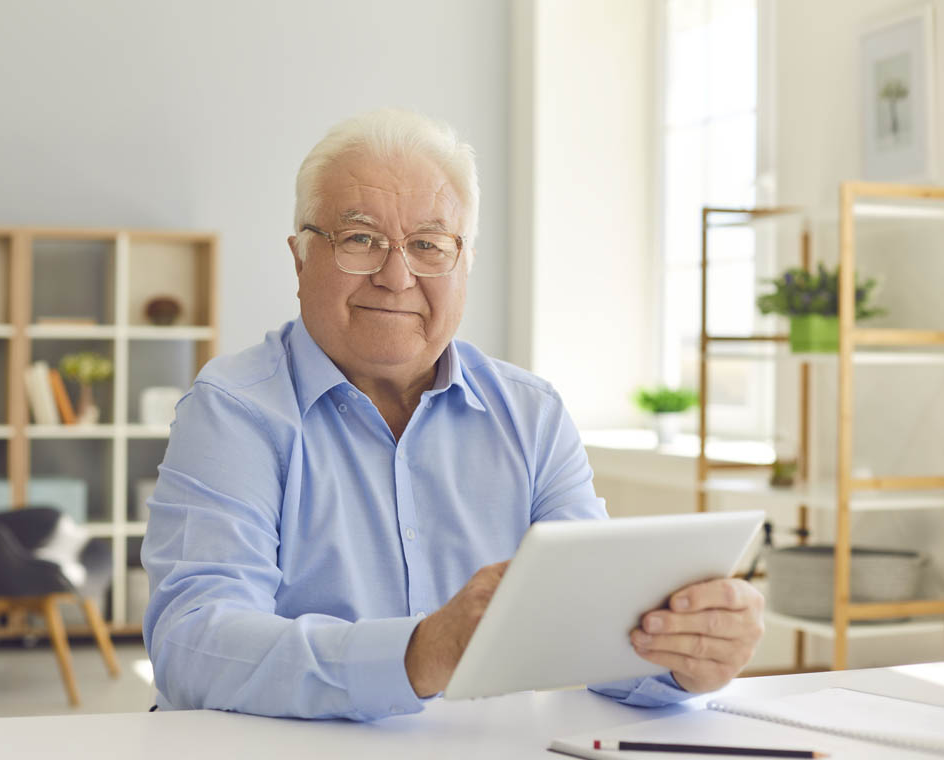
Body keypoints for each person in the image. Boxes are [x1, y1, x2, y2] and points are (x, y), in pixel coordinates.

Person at [141, 109, 765, 720]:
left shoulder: (531, 414)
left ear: (465, 264)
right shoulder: (234, 408)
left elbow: (591, 626)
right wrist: (421, 652)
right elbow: (194, 643)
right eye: (360, 239)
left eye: (429, 245)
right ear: (301, 258)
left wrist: (682, 659)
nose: (395, 275)